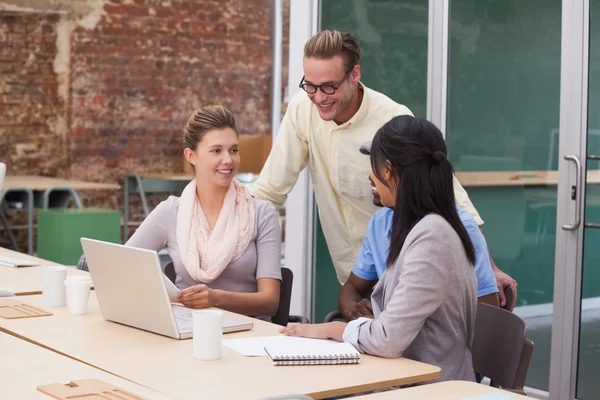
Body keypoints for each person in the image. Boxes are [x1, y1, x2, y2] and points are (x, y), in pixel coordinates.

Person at [249, 29, 517, 307]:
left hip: (410, 269)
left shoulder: (392, 119)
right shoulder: (301, 109)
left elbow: (454, 200)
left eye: (329, 86)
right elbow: (269, 190)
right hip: (359, 274)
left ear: (354, 74)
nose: (318, 97)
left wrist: (490, 268)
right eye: (310, 86)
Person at [281, 115, 477, 382]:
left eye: (372, 166)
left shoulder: (432, 236)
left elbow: (388, 339)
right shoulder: (422, 227)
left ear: (387, 170)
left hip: (429, 389)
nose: (370, 175)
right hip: (403, 377)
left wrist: (332, 329)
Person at [80, 106, 282, 318]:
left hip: (247, 334)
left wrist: (216, 299)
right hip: (187, 329)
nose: (228, 160)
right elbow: (125, 265)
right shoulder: (170, 212)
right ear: (191, 155)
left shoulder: (261, 213)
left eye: (233, 150)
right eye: (216, 151)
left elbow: (270, 302)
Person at [338, 143, 498, 321]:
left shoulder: (450, 228)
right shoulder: (380, 222)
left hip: (430, 344)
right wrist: (355, 312)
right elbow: (353, 287)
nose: (370, 175)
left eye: (381, 168)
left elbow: (487, 313)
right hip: (386, 340)